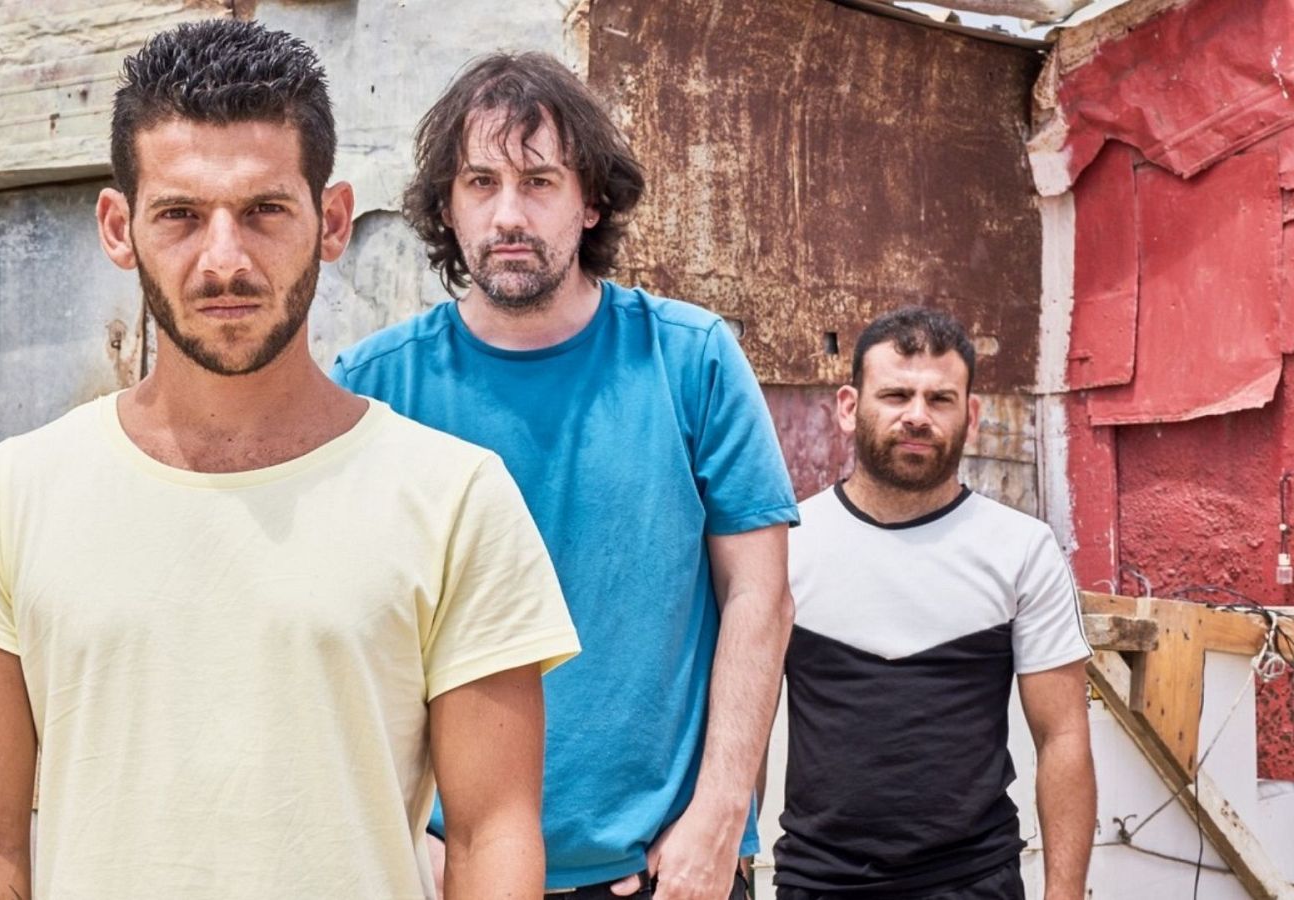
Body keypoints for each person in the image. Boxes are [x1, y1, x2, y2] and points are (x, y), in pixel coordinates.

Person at [0, 20, 579, 900]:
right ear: (119, 227)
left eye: (264, 211)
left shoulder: (455, 500)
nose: (224, 260)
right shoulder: (6, 500)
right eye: (180, 215)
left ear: (333, 221)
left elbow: (491, 837)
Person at [334, 52, 797, 900]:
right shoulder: (373, 388)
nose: (509, 214)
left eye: (539, 182)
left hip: (664, 870)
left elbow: (759, 597)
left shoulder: (690, 360)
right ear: (447, 205)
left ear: (590, 203)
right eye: (480, 183)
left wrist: (721, 815)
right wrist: (398, 838)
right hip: (446, 871)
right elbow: (337, 632)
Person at [774, 307, 1095, 900]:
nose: (917, 416)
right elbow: (741, 729)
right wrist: (729, 868)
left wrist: (1065, 893)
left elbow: (1063, 737)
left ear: (970, 416)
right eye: (896, 395)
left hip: (975, 881)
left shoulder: (1021, 549)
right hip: (818, 882)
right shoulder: (786, 547)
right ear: (849, 407)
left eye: (940, 399)